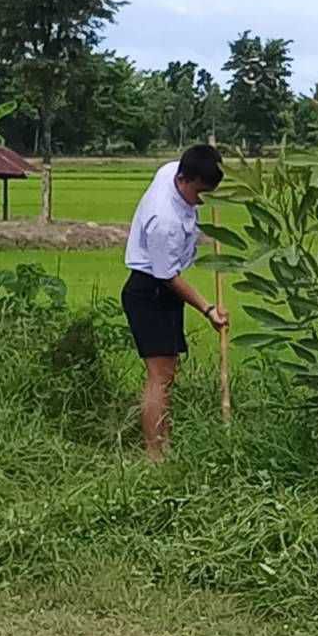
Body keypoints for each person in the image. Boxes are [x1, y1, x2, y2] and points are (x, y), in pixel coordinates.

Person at [121, 144, 229, 461]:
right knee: (159, 376)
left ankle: (165, 444)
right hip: (149, 291)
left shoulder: (172, 170)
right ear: (183, 179)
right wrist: (208, 309)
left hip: (160, 288)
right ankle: (155, 455)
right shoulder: (163, 220)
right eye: (199, 193)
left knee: (168, 373)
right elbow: (167, 276)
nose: (201, 201)